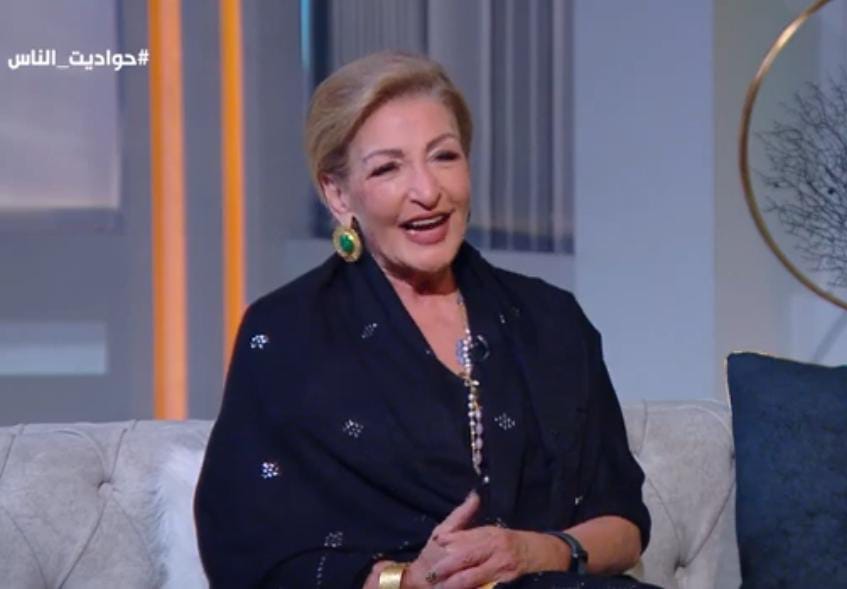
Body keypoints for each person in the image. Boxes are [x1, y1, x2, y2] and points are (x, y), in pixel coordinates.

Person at [194, 51, 656, 589]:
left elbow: (624, 525)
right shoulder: (286, 335)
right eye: (388, 168)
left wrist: (534, 551)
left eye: (444, 156)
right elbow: (248, 550)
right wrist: (406, 580)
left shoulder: (551, 320)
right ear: (338, 194)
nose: (428, 191)